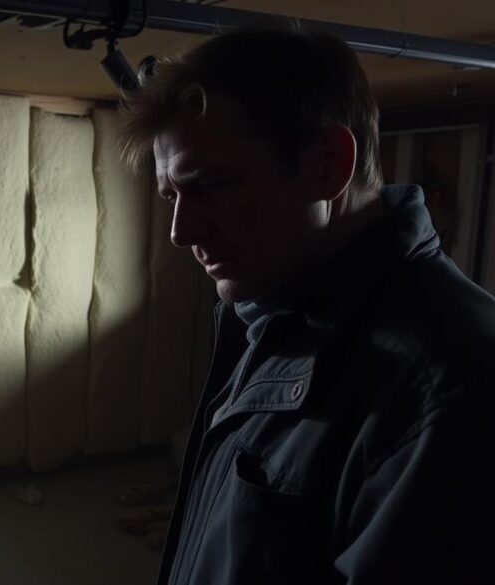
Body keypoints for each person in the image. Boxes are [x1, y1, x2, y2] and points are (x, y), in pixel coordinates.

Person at [121, 22, 495, 584]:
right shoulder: (275, 312)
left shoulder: (457, 390)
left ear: (327, 165)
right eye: (173, 195)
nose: (180, 230)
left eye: (212, 186)